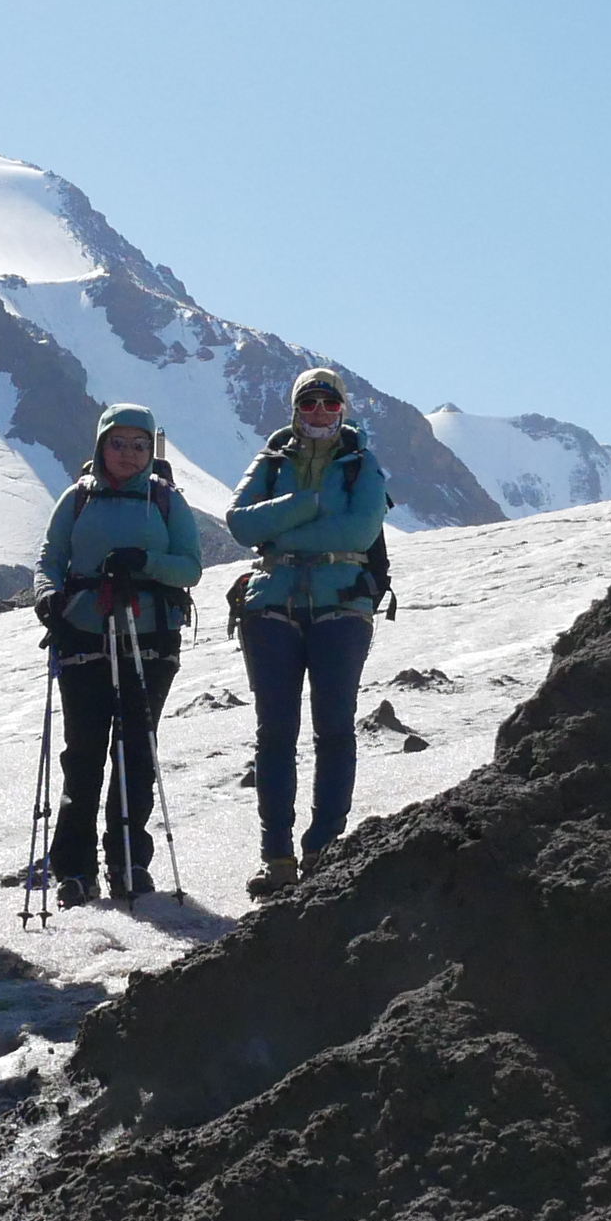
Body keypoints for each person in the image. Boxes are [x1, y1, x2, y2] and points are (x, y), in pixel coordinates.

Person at [220, 367, 391, 899]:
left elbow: (361, 529)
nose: (319, 412)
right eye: (310, 403)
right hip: (271, 604)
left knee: (333, 728)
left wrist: (287, 527)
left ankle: (322, 847)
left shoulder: (362, 462)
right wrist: (310, 504)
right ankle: (279, 857)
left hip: (340, 604)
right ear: (295, 409)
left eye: (329, 404)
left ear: (344, 409)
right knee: (276, 734)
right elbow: (240, 523)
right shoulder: (271, 461)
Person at [35, 405, 202, 903]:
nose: (128, 454)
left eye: (139, 445)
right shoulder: (77, 499)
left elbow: (190, 567)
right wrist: (47, 593)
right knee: (83, 755)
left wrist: (145, 563)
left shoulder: (167, 500)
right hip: (85, 634)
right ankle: (76, 868)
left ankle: (127, 860)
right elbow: (50, 557)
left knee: (134, 753)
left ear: (151, 450)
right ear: (100, 445)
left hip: (148, 638)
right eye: (119, 443)